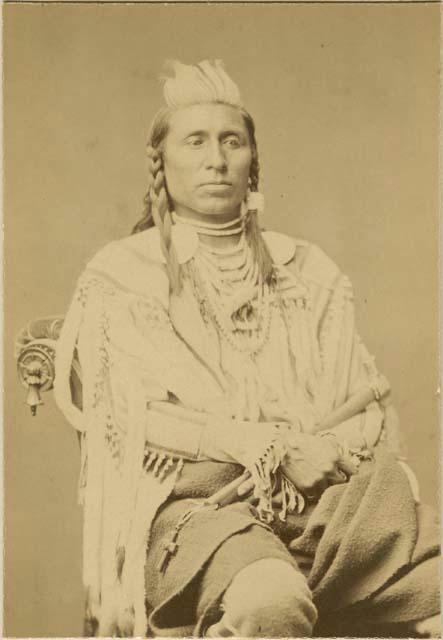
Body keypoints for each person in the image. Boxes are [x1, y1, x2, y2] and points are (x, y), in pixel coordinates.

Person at [53, 60, 440, 638]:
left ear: (252, 161)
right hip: (200, 511)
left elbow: (362, 407)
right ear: (162, 163)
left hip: (324, 501)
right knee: (270, 603)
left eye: (231, 141)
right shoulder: (123, 275)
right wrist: (268, 446)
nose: (216, 158)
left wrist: (320, 450)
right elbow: (130, 415)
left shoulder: (308, 270)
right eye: (196, 141)